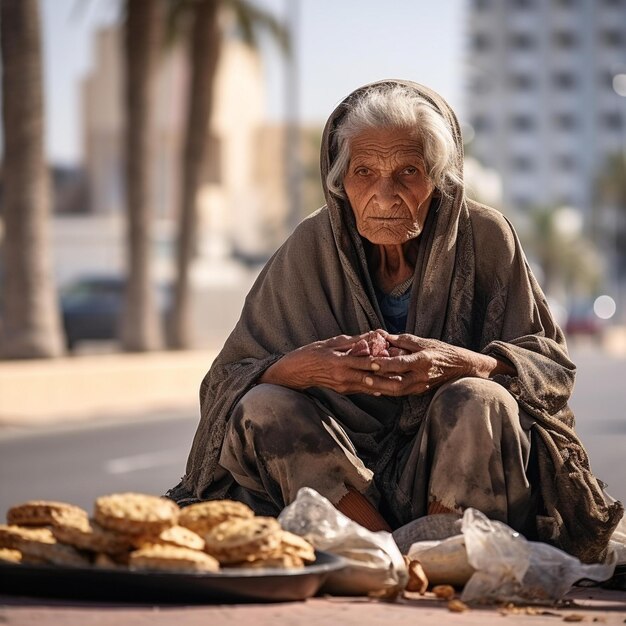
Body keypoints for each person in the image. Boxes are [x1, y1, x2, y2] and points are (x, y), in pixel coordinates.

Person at [167, 80, 623, 563]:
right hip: (337, 485)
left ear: (439, 177)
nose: (385, 195)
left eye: (408, 171)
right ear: (339, 180)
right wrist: (302, 368)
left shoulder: (487, 237)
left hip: (458, 476)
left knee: (480, 399)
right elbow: (224, 383)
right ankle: (387, 555)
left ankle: (433, 551)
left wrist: (464, 364)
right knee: (264, 404)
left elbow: (551, 369)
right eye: (364, 171)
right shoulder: (309, 249)